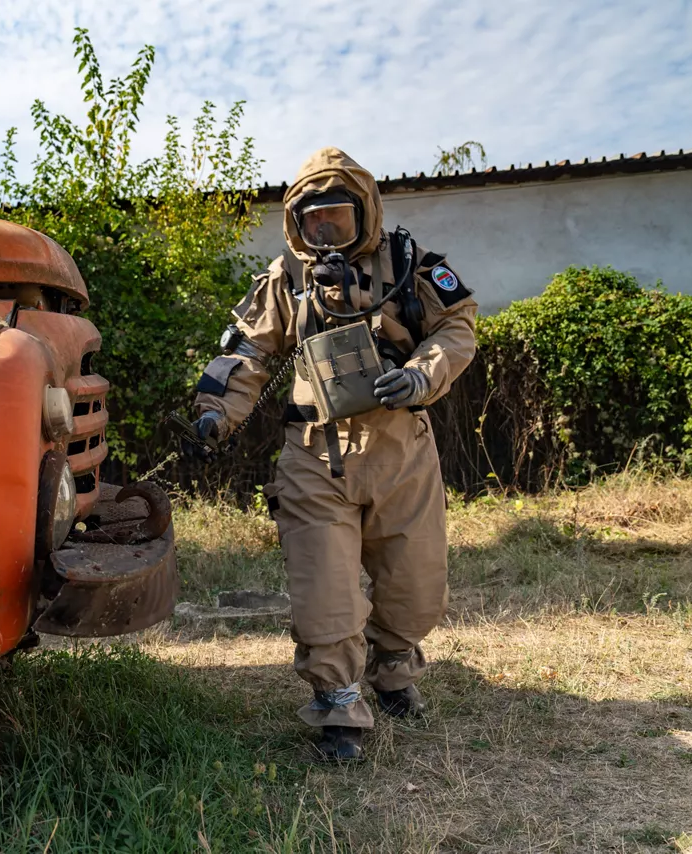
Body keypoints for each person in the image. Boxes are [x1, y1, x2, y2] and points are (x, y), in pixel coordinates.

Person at [188, 147, 477, 761]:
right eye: (312, 222)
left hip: (402, 449)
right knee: (325, 590)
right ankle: (339, 705)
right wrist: (215, 414)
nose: (325, 234)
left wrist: (422, 374)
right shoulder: (284, 280)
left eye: (338, 220)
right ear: (295, 221)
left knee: (415, 588)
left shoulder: (407, 264)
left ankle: (394, 669)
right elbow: (246, 353)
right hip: (315, 456)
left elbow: (458, 328)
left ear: (364, 212)